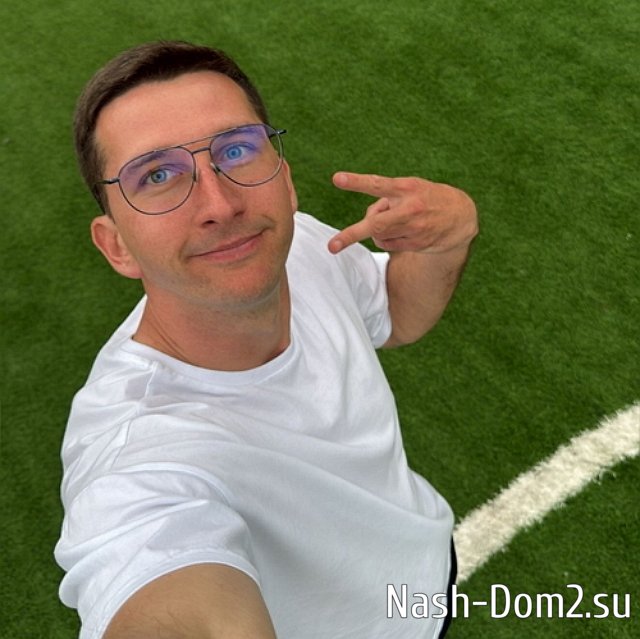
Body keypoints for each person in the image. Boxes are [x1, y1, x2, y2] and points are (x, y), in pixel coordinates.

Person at [54, 40, 478, 639]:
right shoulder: (135, 461)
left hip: (423, 572)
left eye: (236, 149)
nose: (220, 204)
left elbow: (394, 314)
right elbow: (154, 569)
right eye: (157, 175)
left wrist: (447, 242)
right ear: (116, 244)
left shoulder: (302, 245)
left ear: (286, 180)